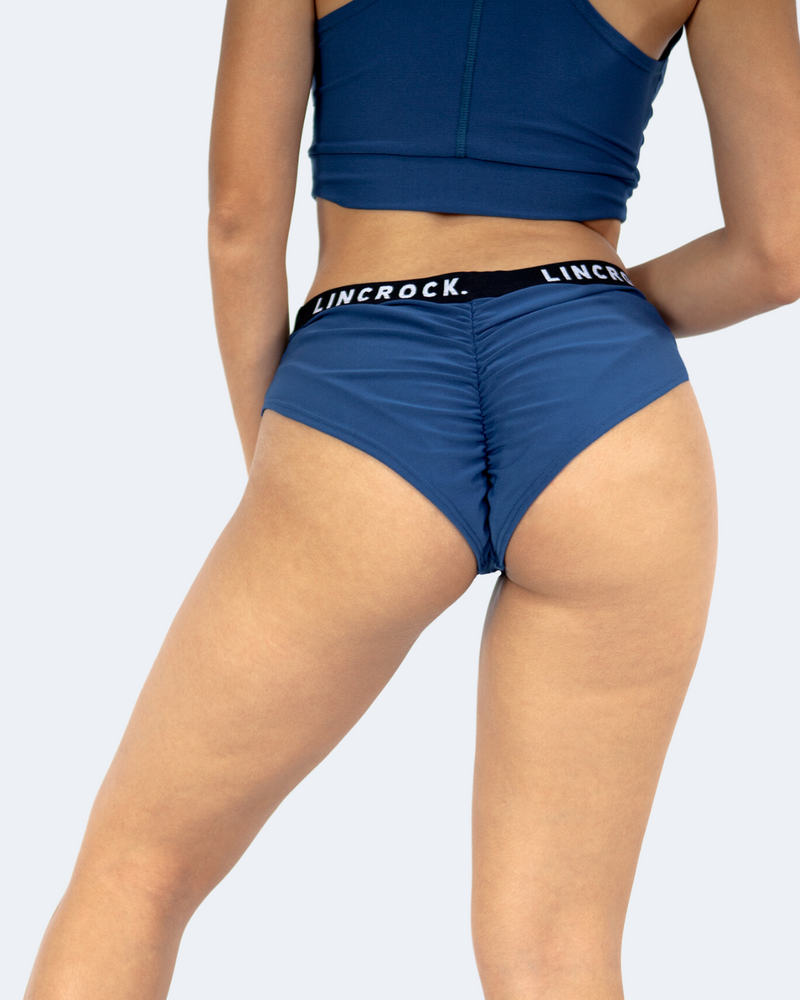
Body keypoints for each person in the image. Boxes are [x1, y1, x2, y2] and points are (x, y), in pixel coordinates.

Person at [23, 1, 800, 998]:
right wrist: (586, 306)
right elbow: (779, 248)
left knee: (136, 875)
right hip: (608, 405)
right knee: (555, 948)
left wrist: (286, 457)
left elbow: (238, 221)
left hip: (366, 379)